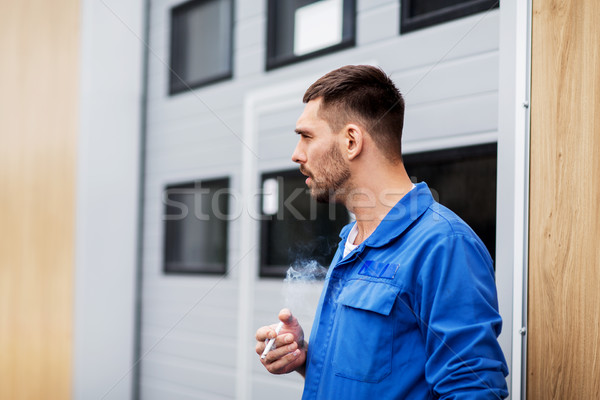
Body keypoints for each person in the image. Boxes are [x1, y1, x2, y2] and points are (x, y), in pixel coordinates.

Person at [255, 65, 509, 399]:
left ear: (351, 141)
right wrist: (305, 357)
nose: (296, 154)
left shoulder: (444, 245)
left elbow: (473, 391)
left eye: (306, 136)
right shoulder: (352, 240)